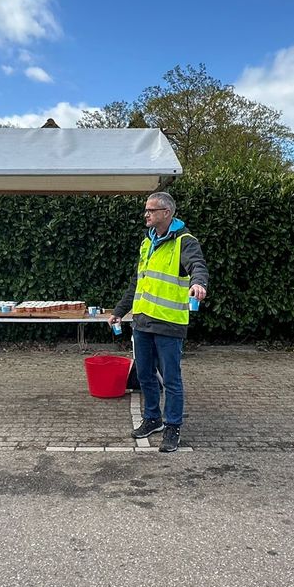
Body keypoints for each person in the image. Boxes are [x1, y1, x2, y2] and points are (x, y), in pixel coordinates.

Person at [109, 192, 208, 453]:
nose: (146, 214)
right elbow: (138, 282)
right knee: (144, 375)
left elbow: (198, 266)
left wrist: (198, 283)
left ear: (167, 213)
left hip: (169, 323)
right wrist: (120, 311)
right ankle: (152, 419)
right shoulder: (147, 243)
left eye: (151, 210)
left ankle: (172, 426)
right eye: (146, 210)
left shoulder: (185, 242)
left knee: (171, 379)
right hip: (142, 322)